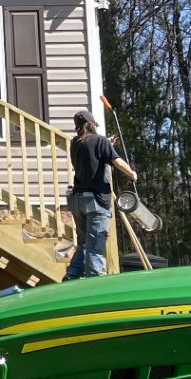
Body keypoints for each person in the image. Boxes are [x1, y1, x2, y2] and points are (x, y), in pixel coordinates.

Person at [66, 108, 135, 278]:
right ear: (91, 124)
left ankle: (72, 274)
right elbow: (117, 161)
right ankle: (93, 282)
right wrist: (132, 174)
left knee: (83, 242)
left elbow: (92, 154)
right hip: (95, 202)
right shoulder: (100, 141)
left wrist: (107, 143)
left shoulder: (75, 143)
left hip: (77, 200)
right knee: (95, 246)